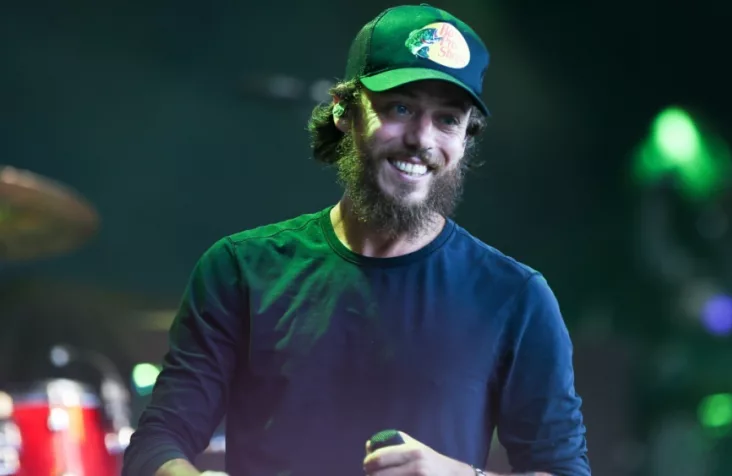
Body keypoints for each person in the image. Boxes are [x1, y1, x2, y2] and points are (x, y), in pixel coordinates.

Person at [122, 4, 590, 476]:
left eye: (448, 119)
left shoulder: (516, 298)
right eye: (400, 108)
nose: (422, 139)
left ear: (467, 137)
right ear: (344, 111)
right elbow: (157, 442)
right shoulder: (240, 269)